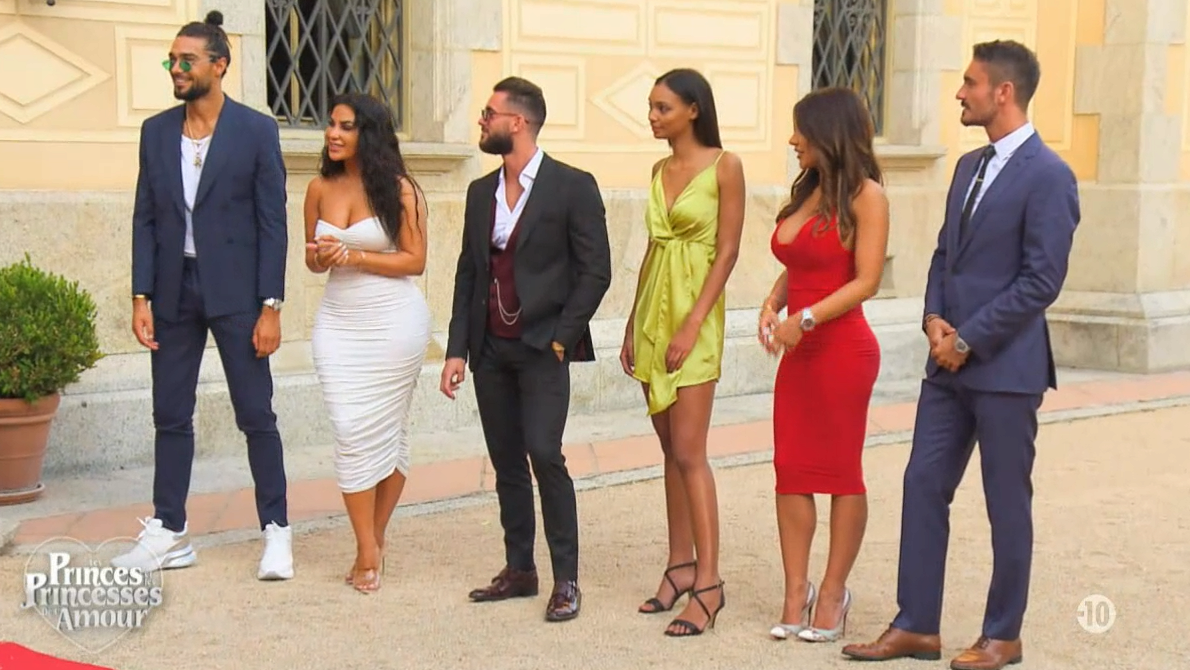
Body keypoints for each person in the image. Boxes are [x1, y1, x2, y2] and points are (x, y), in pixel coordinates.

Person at [841, 40, 1080, 670]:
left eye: (970, 83)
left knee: (1006, 503)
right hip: (944, 365)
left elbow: (1042, 280)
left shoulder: (1050, 175)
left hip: (1006, 370)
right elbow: (945, 254)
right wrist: (932, 320)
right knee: (922, 484)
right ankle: (916, 626)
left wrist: (968, 339)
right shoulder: (968, 165)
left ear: (1003, 92)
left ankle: (1003, 636)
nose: (959, 93)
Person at [115, 10, 293, 580]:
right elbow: (145, 217)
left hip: (238, 293)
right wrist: (141, 296)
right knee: (170, 413)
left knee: (255, 413)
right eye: (172, 60)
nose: (176, 68)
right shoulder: (156, 131)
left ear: (219, 65)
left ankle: (276, 530)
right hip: (173, 290)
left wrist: (271, 305)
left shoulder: (255, 130)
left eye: (186, 60)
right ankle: (169, 531)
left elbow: (273, 223)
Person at [439, 76, 612, 622]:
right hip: (490, 346)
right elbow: (469, 273)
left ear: (518, 122)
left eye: (489, 113)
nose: (481, 121)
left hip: (542, 347)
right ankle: (520, 569)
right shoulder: (479, 193)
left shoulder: (572, 186)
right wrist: (457, 349)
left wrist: (562, 336)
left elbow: (596, 271)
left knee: (545, 454)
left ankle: (566, 579)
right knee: (506, 461)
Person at [756, 87, 888, 644]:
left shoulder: (867, 196)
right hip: (800, 352)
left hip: (843, 352)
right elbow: (801, 261)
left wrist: (804, 319)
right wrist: (772, 303)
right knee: (791, 469)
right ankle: (796, 592)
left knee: (839, 472)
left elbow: (866, 281)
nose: (792, 140)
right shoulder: (809, 191)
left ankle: (833, 593)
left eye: (800, 130)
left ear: (829, 133)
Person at [619, 68, 745, 637]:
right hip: (654, 316)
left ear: (694, 109)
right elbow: (652, 248)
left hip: (695, 317)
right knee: (670, 449)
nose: (652, 116)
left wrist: (693, 324)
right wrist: (631, 323)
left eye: (662, 107)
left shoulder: (726, 166)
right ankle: (679, 565)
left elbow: (728, 251)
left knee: (691, 452)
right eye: (650, 107)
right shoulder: (657, 170)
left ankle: (710, 584)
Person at [303, 93, 431, 593]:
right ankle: (369, 544)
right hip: (338, 323)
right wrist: (323, 256)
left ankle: (370, 543)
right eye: (331, 124)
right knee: (349, 428)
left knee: (388, 433)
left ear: (369, 134)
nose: (332, 134)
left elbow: (415, 260)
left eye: (346, 126)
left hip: (394, 322)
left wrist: (354, 256)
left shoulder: (400, 190)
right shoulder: (318, 187)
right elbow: (312, 262)